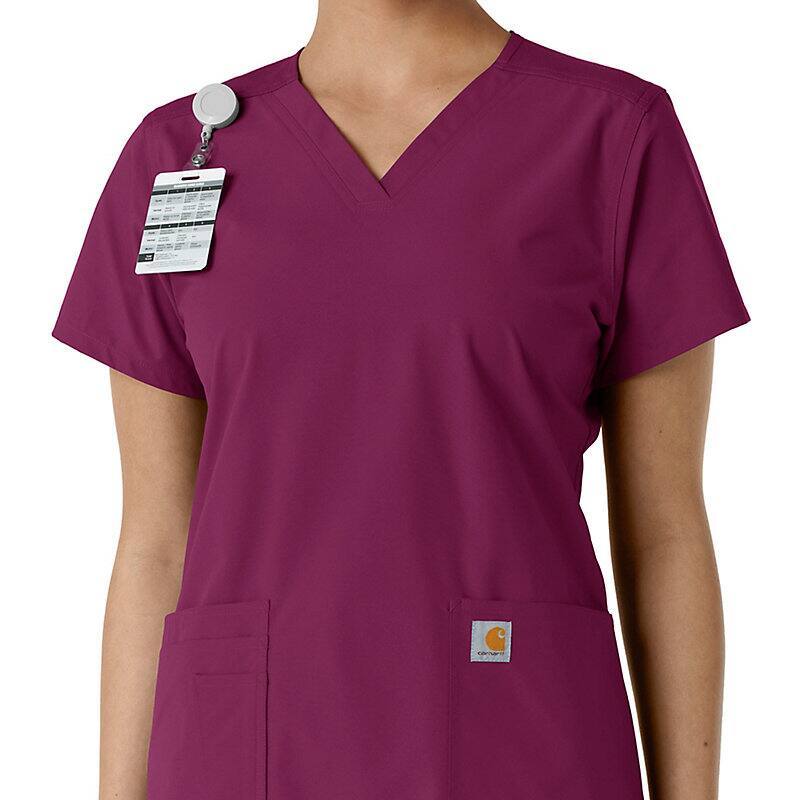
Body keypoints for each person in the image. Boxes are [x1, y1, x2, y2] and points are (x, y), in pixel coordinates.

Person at [53, 1, 749, 798]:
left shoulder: (612, 134)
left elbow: (664, 532)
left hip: (524, 744)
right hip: (247, 754)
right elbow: (155, 544)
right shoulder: (176, 153)